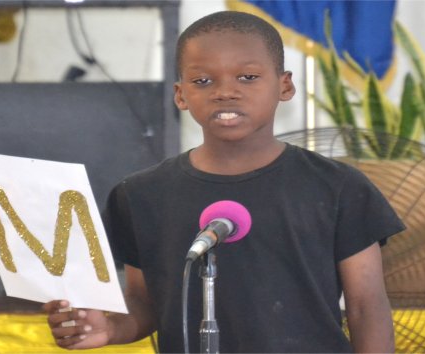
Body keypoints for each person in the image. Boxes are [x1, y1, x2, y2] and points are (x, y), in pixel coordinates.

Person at [44, 10, 404, 353]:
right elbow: (146, 302)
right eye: (203, 81)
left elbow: (365, 306)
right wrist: (110, 328)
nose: (225, 91)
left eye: (247, 77)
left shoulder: (338, 187)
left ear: (285, 85)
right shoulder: (140, 195)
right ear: (181, 94)